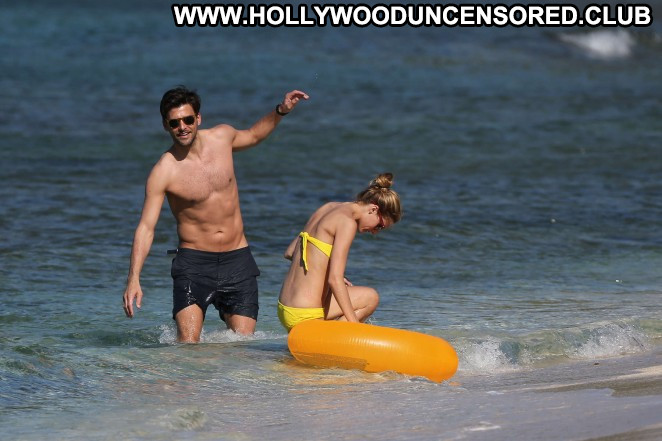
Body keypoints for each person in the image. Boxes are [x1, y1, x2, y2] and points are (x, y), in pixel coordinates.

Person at [122, 86, 309, 342]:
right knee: (188, 345)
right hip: (194, 265)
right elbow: (146, 227)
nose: (182, 127)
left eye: (188, 120)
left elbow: (254, 135)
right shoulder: (164, 171)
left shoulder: (222, 137)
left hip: (237, 260)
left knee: (242, 344)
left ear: (198, 118)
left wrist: (281, 110)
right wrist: (133, 278)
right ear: (166, 125)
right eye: (174, 123)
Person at [277, 173, 402, 331]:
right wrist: (355, 327)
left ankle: (321, 335)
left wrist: (321, 268)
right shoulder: (347, 222)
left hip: (285, 308)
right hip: (306, 315)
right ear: (373, 209)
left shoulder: (328, 207)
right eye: (380, 225)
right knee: (371, 298)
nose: (375, 232)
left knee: (366, 296)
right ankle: (333, 336)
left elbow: (289, 252)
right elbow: (334, 280)